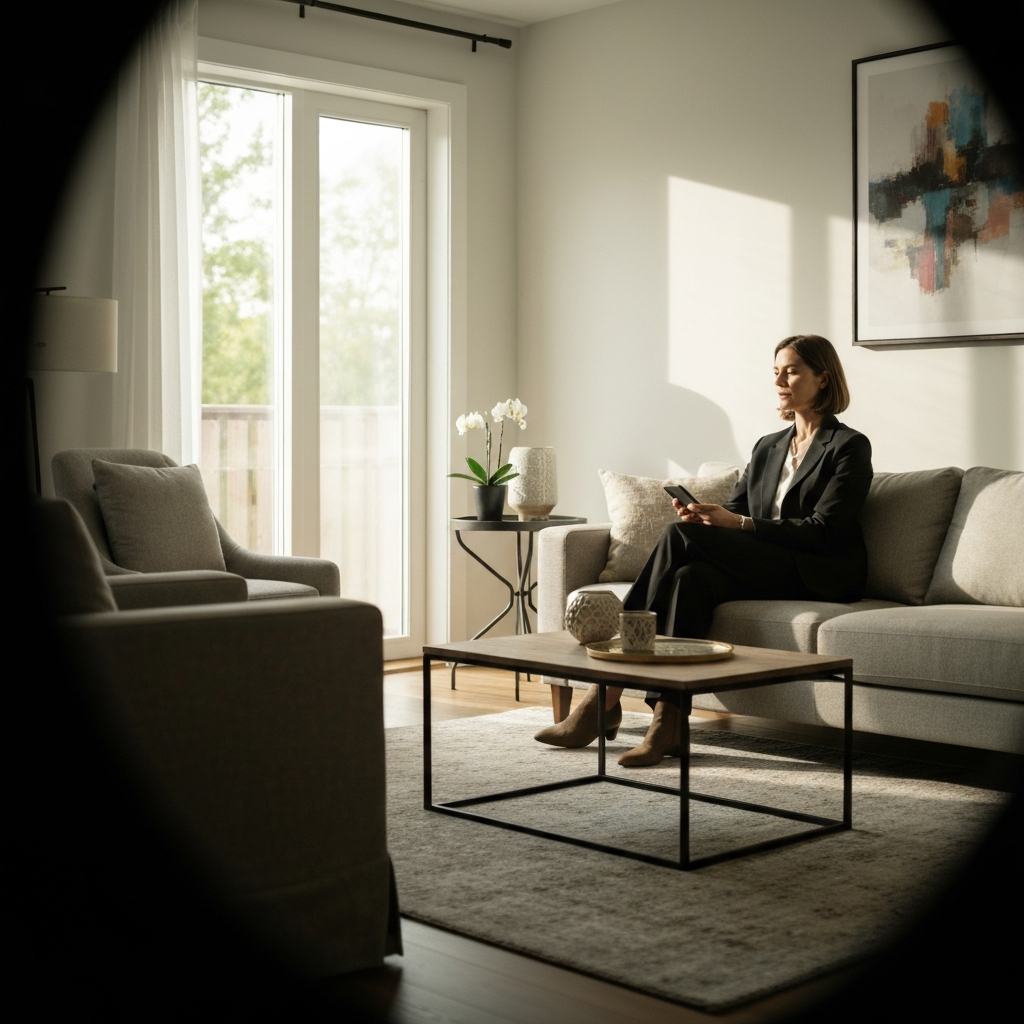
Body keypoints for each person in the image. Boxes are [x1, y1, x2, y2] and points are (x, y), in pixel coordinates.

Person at [534, 334, 873, 765]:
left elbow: (822, 530)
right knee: (687, 579)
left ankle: (604, 694)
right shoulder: (769, 446)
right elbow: (734, 510)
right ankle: (668, 720)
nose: (780, 381)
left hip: (819, 569)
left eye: (792, 371)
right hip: (765, 562)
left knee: (678, 538)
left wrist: (740, 524)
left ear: (823, 379)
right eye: (776, 372)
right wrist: (705, 516)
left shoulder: (848, 446)